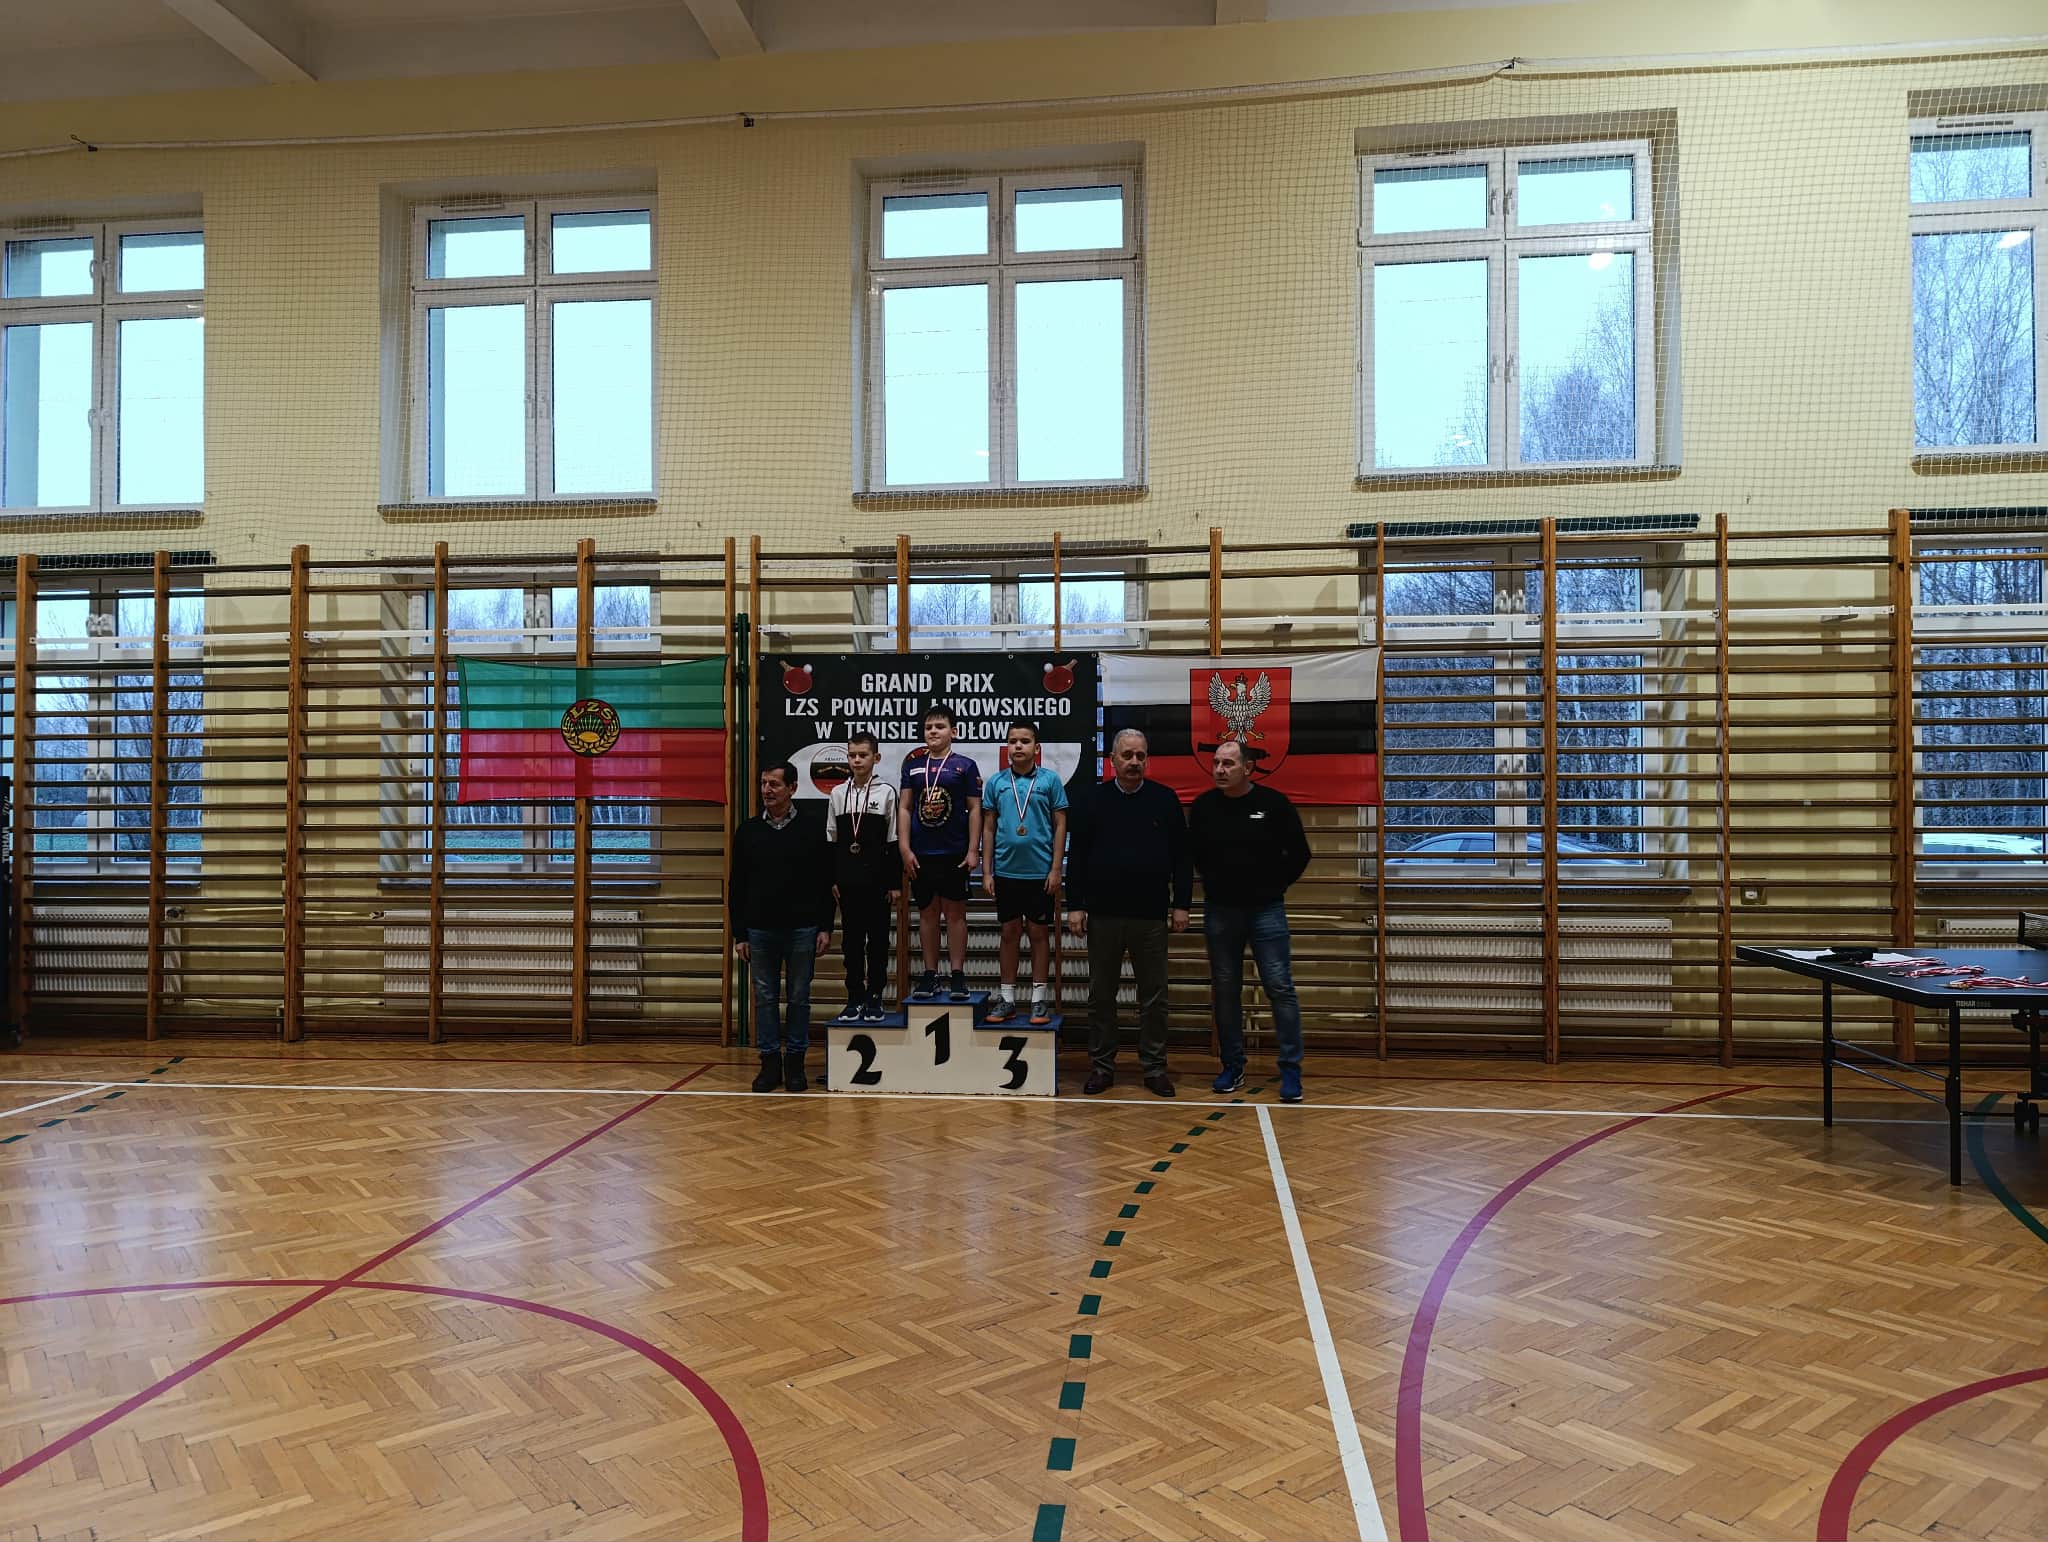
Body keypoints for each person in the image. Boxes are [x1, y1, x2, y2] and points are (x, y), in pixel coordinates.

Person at [1066, 728, 1190, 1097]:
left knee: (1154, 997)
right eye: (1127, 755)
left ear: (1147, 759)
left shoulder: (1165, 800)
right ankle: (1102, 1067)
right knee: (1101, 996)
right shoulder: (1092, 800)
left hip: (1151, 915)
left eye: (1140, 756)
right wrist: (1075, 905)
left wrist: (1181, 904)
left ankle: (1154, 1067)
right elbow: (1078, 857)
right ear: (1112, 760)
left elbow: (1183, 858)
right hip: (1103, 914)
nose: (1134, 762)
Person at [1188, 738, 1311, 1103]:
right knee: (1226, 990)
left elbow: (1300, 854)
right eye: (1216, 763)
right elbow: (1194, 855)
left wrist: (1274, 885)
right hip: (1220, 912)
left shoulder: (1274, 804)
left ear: (1248, 768)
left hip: (1266, 910)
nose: (1219, 770)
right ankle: (1232, 1065)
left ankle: (1291, 1070)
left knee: (1279, 986)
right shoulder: (1204, 807)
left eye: (1228, 764)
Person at [730, 761, 835, 1093]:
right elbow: (737, 885)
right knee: (764, 998)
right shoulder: (748, 831)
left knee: (799, 998)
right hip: (760, 929)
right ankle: (769, 1063)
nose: (767, 790)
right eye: (764, 783)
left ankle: (795, 1064)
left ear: (792, 788)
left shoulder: (812, 828)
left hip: (803, 928)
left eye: (774, 784)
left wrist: (826, 927)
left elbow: (825, 882)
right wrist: (740, 933)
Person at [978, 719, 1069, 1025]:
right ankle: (1007, 999)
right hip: (1006, 872)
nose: (1018, 746)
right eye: (1013, 741)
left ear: (1036, 747)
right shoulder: (996, 782)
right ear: (1007, 746)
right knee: (1009, 933)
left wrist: (1056, 868)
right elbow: (988, 829)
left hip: (1040, 873)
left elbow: (1060, 825)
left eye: (1025, 741)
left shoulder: (1050, 781)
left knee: (1039, 933)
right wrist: (987, 871)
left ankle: (1039, 999)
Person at [898, 704, 982, 1001]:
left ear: (953, 732)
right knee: (928, 914)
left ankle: (957, 974)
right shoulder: (913, 766)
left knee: (955, 914)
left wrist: (973, 849)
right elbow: (905, 807)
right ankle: (930, 974)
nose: (933, 731)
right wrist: (904, 847)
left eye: (940, 726)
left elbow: (975, 809)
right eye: (928, 727)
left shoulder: (965, 766)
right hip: (921, 853)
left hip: (954, 852)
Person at [827, 730, 899, 1025]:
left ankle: (875, 996)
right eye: (852, 755)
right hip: (848, 882)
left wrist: (894, 883)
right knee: (851, 943)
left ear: (876, 758)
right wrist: (833, 878)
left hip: (878, 882)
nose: (857, 760)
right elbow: (831, 840)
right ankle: (854, 996)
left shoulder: (886, 793)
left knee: (878, 941)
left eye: (863, 755)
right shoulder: (837, 793)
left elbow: (893, 840)